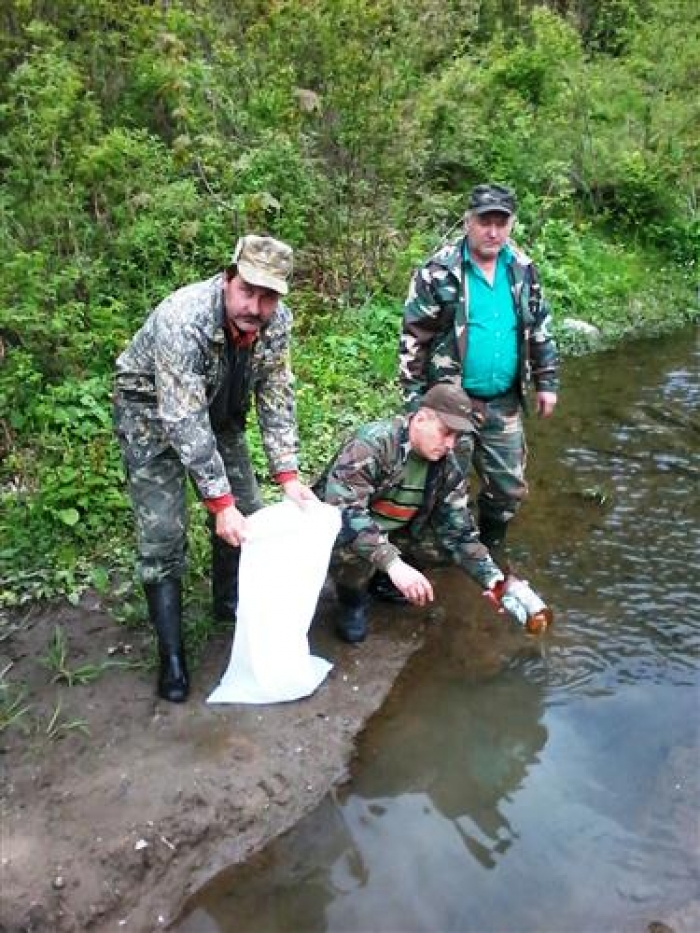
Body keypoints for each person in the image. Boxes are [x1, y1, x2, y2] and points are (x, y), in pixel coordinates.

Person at [114, 235, 317, 702]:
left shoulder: (276, 323)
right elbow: (182, 418)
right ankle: (172, 658)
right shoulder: (182, 318)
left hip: (220, 410)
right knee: (163, 534)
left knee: (248, 514)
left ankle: (227, 603)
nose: (255, 305)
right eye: (248, 290)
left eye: (268, 296)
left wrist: (287, 473)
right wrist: (216, 501)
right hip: (150, 414)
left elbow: (275, 393)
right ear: (229, 278)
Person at [400, 183, 560, 555]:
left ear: (511, 224)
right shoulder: (438, 270)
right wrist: (413, 402)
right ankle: (424, 558)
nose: (492, 232)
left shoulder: (521, 268)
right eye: (484, 222)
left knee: (508, 487)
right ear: (468, 221)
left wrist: (546, 381)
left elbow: (540, 326)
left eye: (500, 223)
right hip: (449, 401)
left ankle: (490, 548)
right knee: (438, 483)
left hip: (502, 401)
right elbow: (413, 338)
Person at [313, 384, 505, 644]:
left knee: (446, 549)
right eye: (445, 433)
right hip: (345, 530)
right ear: (421, 418)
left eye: (457, 437)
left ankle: (382, 580)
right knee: (348, 548)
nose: (450, 444)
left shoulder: (446, 465)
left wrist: (494, 580)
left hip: (396, 527)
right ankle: (352, 600)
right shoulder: (372, 444)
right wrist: (393, 563)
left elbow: (460, 533)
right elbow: (345, 514)